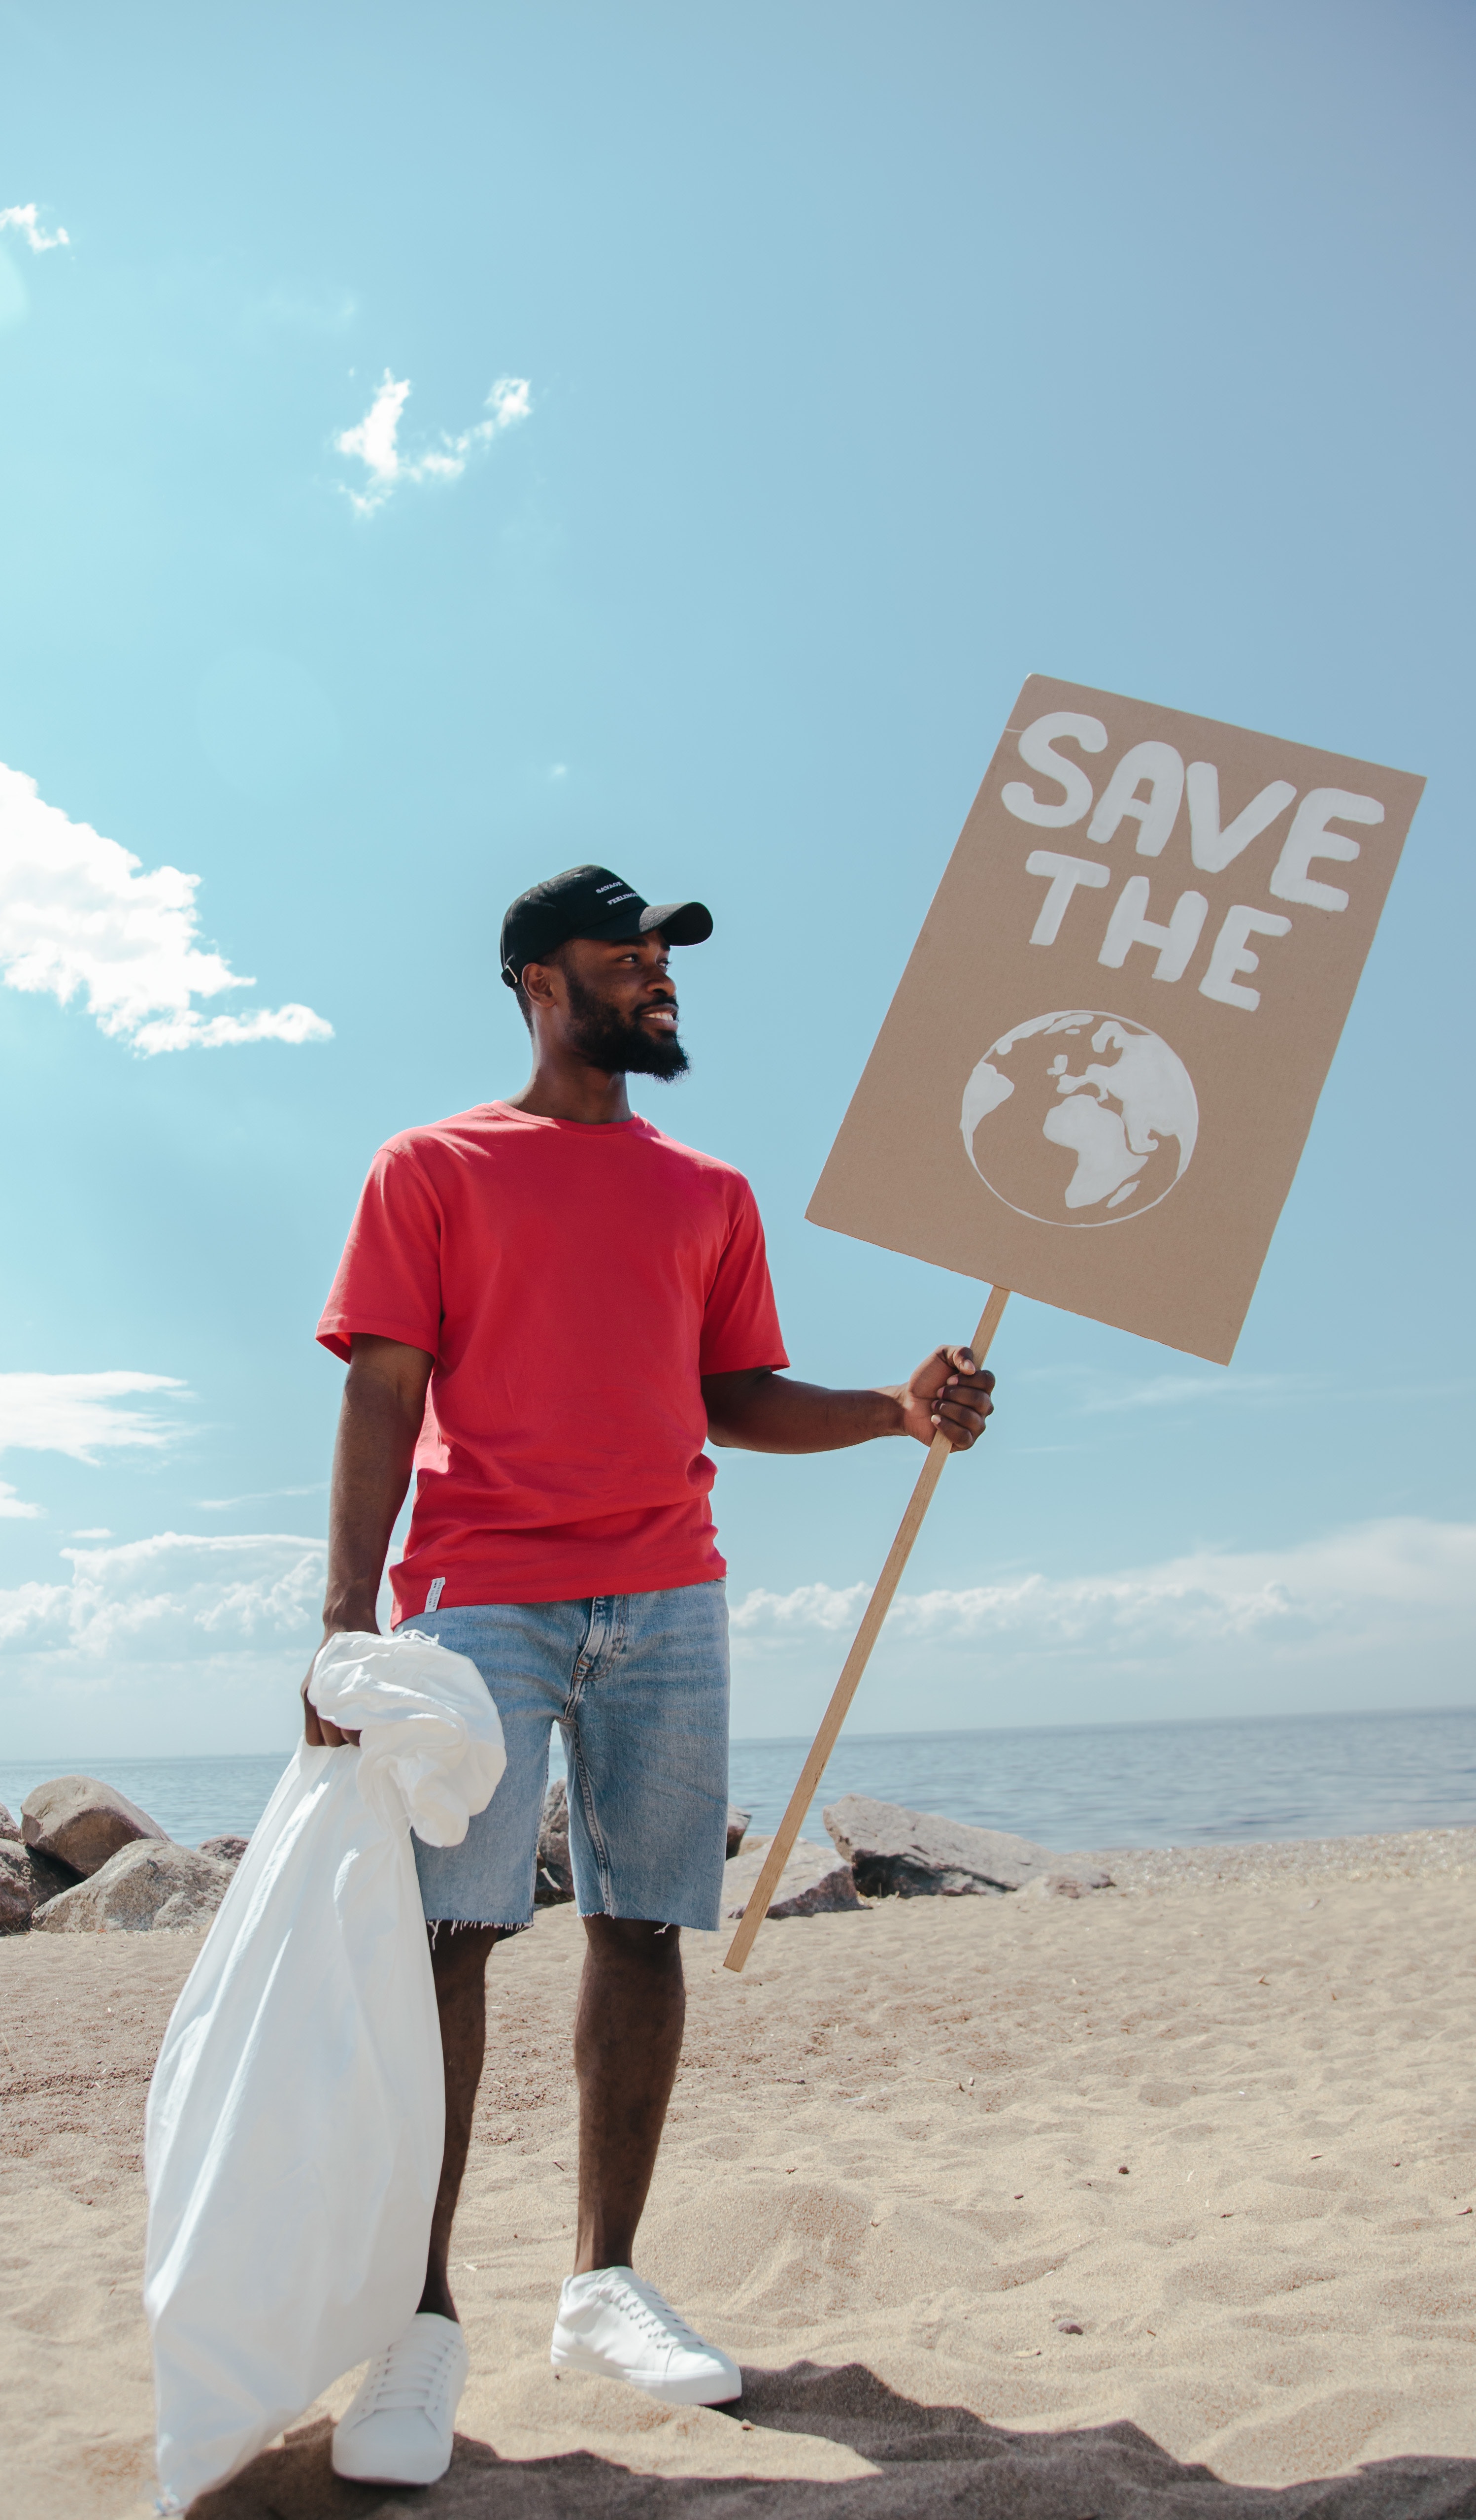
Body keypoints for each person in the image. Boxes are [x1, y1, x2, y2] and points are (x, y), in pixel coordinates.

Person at [305, 864, 996, 2487]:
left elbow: (737, 1394)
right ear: (535, 982)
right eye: (627, 953)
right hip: (483, 1602)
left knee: (641, 1927)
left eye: (668, 953)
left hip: (670, 1599)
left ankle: (602, 2286)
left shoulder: (708, 1190)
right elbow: (383, 1394)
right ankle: (414, 2321)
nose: (657, 973)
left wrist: (897, 1411)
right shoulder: (431, 1165)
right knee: (454, 1938)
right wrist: (346, 1618)